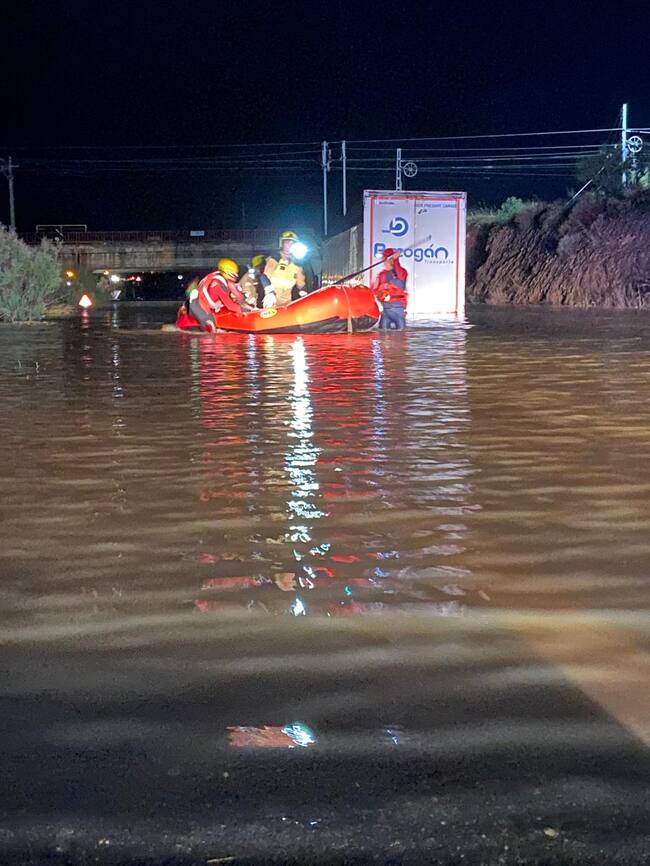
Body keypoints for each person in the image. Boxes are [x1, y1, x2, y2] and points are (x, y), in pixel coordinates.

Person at [187, 258, 251, 331]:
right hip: (198, 306)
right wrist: (245, 310)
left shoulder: (223, 278)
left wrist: (247, 305)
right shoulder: (217, 284)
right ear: (226, 272)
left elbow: (238, 296)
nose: (236, 275)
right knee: (210, 325)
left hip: (212, 305)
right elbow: (230, 305)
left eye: (236, 273)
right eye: (234, 273)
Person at [261, 230, 308, 308]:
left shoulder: (297, 264)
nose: (290, 246)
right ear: (282, 244)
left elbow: (301, 284)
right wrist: (269, 293)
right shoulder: (276, 258)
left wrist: (304, 295)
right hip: (272, 299)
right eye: (287, 243)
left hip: (287, 303)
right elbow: (264, 276)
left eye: (292, 243)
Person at [373, 247, 408, 330]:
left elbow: (399, 271)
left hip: (398, 310)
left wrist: (396, 259)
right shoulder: (381, 275)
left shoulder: (402, 272)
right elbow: (375, 290)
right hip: (385, 310)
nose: (383, 262)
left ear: (389, 260)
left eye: (384, 259)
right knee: (382, 333)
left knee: (401, 334)